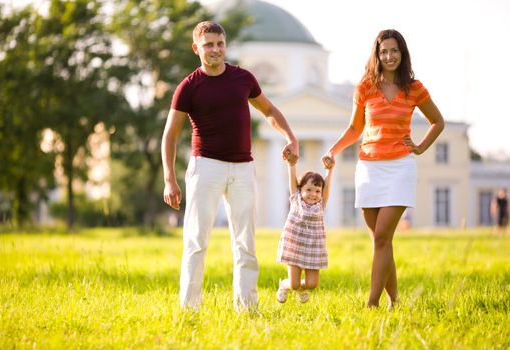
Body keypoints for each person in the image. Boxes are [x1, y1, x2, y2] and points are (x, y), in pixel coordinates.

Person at [161, 21, 299, 312]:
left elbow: (269, 111)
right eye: (208, 44)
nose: (215, 49)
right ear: (196, 48)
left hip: (242, 168)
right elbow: (170, 135)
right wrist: (169, 179)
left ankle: (247, 308)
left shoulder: (243, 79)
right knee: (196, 242)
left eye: (220, 43)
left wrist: (290, 137)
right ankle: (189, 309)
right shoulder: (188, 86)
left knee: (245, 243)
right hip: (205, 166)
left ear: (225, 45)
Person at [322, 29, 445, 309]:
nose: (389, 56)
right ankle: (395, 300)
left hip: (400, 167)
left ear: (403, 54)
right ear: (376, 55)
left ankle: (372, 304)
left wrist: (420, 147)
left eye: (394, 51)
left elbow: (438, 121)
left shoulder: (415, 88)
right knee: (381, 241)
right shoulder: (365, 86)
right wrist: (333, 150)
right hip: (368, 168)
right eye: (383, 51)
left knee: (381, 237)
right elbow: (355, 128)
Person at [275, 154, 334, 304]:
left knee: (312, 284)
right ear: (301, 190)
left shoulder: (321, 205)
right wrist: (291, 165)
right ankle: (284, 284)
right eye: (309, 189)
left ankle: (303, 288)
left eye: (317, 191)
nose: (313, 194)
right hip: (295, 246)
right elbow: (292, 180)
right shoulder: (296, 200)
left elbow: (327, 186)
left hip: (313, 249)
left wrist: (329, 170)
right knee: (294, 285)